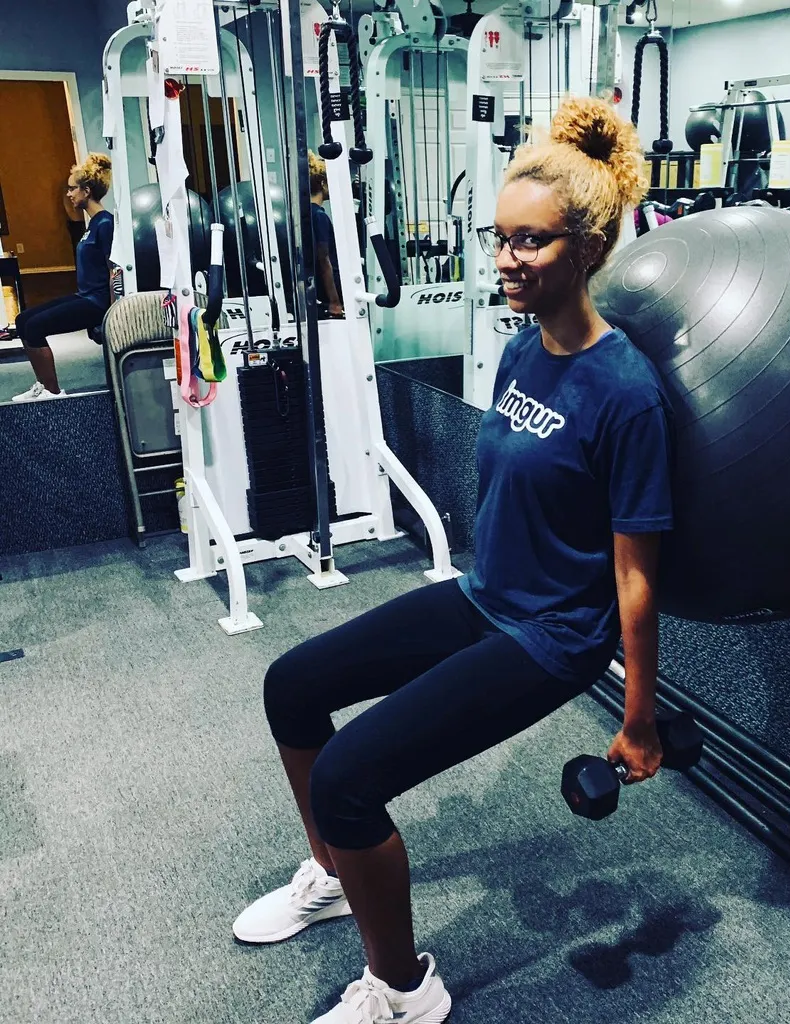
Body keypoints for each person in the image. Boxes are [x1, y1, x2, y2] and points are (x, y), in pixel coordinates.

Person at [233, 96, 675, 1024]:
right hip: (484, 598)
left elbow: (636, 574)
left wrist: (639, 719)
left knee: (350, 779)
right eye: (499, 238)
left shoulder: (627, 394)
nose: (507, 259)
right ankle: (333, 872)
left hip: (553, 636)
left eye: (531, 241)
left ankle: (404, 991)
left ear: (590, 249)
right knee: (292, 685)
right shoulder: (520, 353)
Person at [3, 153, 114, 402]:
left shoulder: (105, 223)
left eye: (72, 188)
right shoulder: (92, 224)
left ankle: (52, 393)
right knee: (23, 320)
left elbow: (113, 270)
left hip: (97, 303)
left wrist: (113, 312)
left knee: (34, 327)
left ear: (86, 191)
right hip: (84, 296)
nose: (69, 194)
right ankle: (42, 385)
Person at [309, 150, 344, 318]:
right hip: (330, 292)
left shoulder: (305, 214)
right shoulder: (319, 216)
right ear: (323, 184)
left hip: (317, 290)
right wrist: (335, 301)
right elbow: (324, 260)